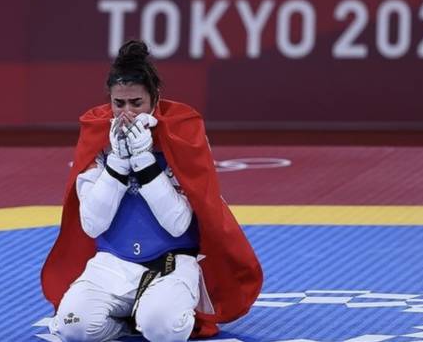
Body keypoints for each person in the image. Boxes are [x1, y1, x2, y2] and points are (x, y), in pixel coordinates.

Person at [40, 40, 263, 342]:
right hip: (112, 264)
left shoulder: (182, 132)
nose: (127, 113)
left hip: (170, 263)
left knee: (163, 330)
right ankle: (125, 323)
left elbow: (178, 224)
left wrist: (145, 162)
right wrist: (117, 164)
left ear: (154, 99)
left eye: (136, 102)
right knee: (72, 327)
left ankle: (153, 312)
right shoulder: (97, 138)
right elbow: (93, 224)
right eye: (119, 103)